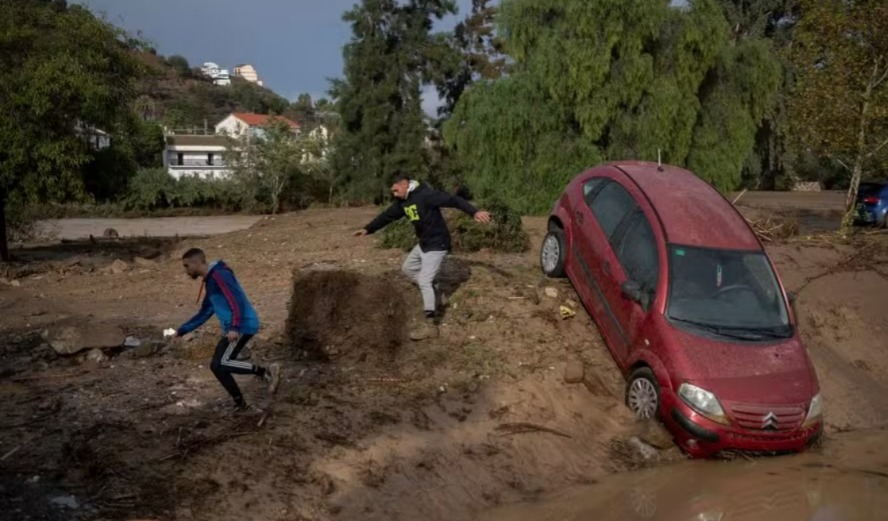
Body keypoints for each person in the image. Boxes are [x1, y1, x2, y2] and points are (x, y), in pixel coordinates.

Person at [355, 174, 491, 340]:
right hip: (424, 243)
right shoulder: (402, 202)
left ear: (405, 185)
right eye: (393, 191)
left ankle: (430, 325)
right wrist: (368, 229)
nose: (394, 194)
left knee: (425, 281)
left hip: (438, 243)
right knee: (408, 268)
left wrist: (474, 212)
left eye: (396, 190)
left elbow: (454, 200)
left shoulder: (426, 195)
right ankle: (434, 294)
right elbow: (387, 216)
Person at [173, 248, 280, 411]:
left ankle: (264, 372)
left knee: (222, 362)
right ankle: (240, 404)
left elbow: (235, 299)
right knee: (217, 367)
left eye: (186, 266)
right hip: (233, 327)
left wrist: (234, 326)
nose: (186, 270)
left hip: (242, 325)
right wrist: (182, 330)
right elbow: (205, 312)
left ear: (196, 263)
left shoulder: (220, 275)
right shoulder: (210, 281)